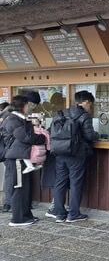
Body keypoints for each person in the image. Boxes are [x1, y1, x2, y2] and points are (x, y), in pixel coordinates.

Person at [47, 90, 98, 223]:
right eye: (90, 104)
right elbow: (89, 136)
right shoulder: (84, 116)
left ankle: (59, 214)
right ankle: (73, 214)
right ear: (86, 102)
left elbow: (50, 130)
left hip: (59, 153)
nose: (90, 107)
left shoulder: (62, 113)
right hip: (76, 154)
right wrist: (97, 134)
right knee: (76, 183)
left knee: (60, 182)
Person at [2, 95, 47, 226]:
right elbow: (26, 137)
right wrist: (42, 138)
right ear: (22, 106)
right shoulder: (13, 119)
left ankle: (26, 215)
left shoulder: (18, 118)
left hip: (22, 156)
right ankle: (17, 218)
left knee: (25, 187)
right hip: (16, 158)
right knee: (19, 187)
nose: (30, 107)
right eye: (28, 105)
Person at [0, 102, 9, 213]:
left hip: (4, 153)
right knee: (8, 178)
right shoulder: (6, 116)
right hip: (5, 152)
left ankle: (7, 202)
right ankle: (7, 203)